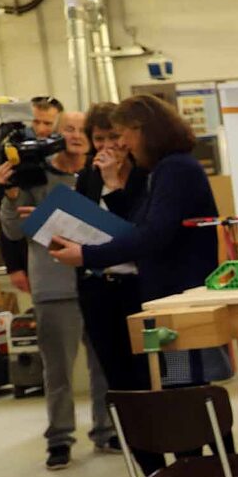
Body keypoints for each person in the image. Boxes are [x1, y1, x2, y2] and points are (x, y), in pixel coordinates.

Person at [47, 95, 225, 477]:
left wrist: (87, 255)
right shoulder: (165, 170)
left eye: (125, 131)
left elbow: (152, 235)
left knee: (182, 395)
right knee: (183, 392)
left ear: (144, 129)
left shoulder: (175, 170)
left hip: (176, 303)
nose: (122, 141)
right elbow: (140, 225)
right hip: (170, 299)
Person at [0, 107, 115, 468]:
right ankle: (60, 438)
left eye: (83, 130)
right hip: (54, 284)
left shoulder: (100, 176)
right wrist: (10, 194)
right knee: (58, 371)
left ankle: (107, 430)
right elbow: (14, 231)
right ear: (55, 134)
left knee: (104, 365)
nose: (76, 136)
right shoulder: (33, 176)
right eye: (69, 129)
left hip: (97, 280)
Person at [75, 101, 151, 397]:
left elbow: (136, 231)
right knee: (115, 372)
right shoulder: (87, 177)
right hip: (96, 285)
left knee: (149, 369)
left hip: (137, 284)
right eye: (98, 139)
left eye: (113, 137)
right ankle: (132, 440)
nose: (107, 146)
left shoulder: (145, 175)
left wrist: (113, 181)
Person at [0, 95, 61, 295]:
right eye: (36, 122)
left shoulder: (65, 158)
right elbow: (7, 214)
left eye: (47, 123)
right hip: (32, 254)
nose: (41, 129)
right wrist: (13, 265)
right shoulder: (15, 160)